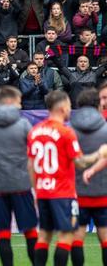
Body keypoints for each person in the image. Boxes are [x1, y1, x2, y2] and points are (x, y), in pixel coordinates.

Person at [28, 90, 106, 266]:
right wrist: (99, 154)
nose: (70, 109)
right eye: (69, 106)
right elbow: (79, 162)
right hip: (63, 193)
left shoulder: (35, 131)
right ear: (63, 107)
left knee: (44, 235)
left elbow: (30, 166)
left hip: (43, 192)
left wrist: (36, 191)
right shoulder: (65, 132)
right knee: (66, 236)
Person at [0, 86, 38, 266]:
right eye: (19, 101)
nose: (20, 105)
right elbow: (34, 154)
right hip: (21, 185)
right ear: (10, 101)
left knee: (3, 234)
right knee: (30, 231)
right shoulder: (24, 125)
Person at [70, 88, 107, 266]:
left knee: (77, 239)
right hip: (102, 192)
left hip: (77, 193)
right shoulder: (105, 128)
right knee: (105, 238)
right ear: (98, 104)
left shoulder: (70, 130)